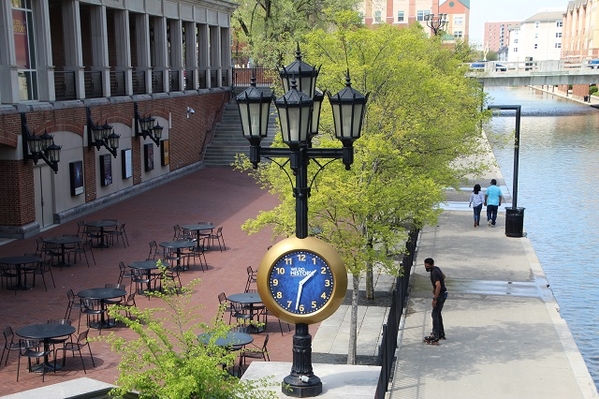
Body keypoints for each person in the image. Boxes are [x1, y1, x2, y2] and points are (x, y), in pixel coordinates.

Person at [424, 258, 447, 343]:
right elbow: (443, 276)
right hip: (444, 293)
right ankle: (440, 333)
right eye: (425, 266)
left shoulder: (434, 273)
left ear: (431, 265)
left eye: (427, 266)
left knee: (434, 314)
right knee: (437, 314)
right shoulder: (437, 269)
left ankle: (435, 335)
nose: (426, 268)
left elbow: (438, 285)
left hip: (440, 296)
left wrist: (435, 298)